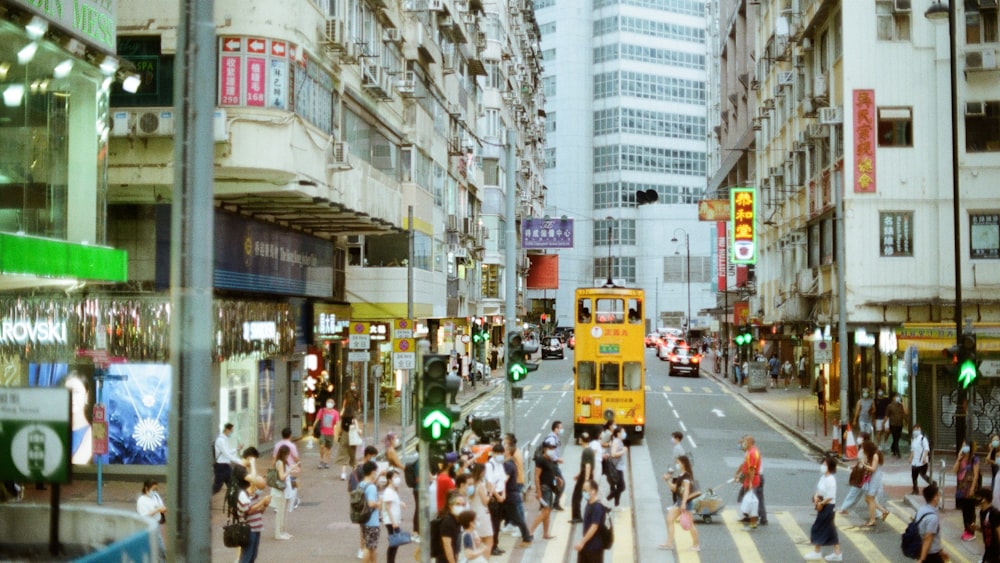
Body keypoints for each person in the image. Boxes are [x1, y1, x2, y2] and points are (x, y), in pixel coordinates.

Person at [804, 456, 842, 561]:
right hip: (822, 504)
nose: (823, 466)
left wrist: (821, 503)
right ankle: (837, 554)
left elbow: (830, 496)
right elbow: (819, 489)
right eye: (823, 464)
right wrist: (816, 496)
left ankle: (817, 552)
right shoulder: (823, 477)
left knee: (818, 527)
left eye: (825, 464)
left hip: (828, 507)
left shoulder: (831, 480)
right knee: (830, 530)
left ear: (830, 467)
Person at [660, 455, 700, 552]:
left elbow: (686, 490)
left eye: (678, 463)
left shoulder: (686, 477)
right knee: (670, 519)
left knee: (689, 524)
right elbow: (675, 489)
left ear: (683, 464)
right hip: (681, 501)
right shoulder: (681, 475)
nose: (676, 465)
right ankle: (669, 543)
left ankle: (696, 545)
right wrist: (667, 480)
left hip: (684, 502)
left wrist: (683, 503)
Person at [502, 440, 533, 546]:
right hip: (508, 495)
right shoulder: (509, 463)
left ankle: (527, 537)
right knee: (512, 517)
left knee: (518, 518)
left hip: (510, 495)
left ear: (508, 452)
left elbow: (504, 480)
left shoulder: (509, 465)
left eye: (504, 450)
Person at [236, 472, 270, 563]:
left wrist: (265, 505)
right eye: (258, 488)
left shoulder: (255, 496)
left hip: (256, 528)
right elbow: (248, 510)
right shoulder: (243, 495)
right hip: (248, 529)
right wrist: (262, 502)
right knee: (247, 556)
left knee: (253, 555)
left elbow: (259, 513)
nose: (259, 491)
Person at [735, 434, 767, 528]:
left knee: (754, 500)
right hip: (751, 478)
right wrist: (738, 474)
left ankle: (754, 519)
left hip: (754, 478)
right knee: (752, 498)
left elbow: (752, 469)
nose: (742, 444)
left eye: (744, 442)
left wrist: (750, 483)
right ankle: (751, 517)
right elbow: (745, 465)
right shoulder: (749, 452)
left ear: (749, 442)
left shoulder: (752, 453)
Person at [529, 442, 559, 540]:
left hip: (549, 488)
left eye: (553, 448)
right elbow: (536, 476)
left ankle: (546, 533)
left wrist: (557, 479)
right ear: (545, 449)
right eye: (550, 448)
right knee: (545, 511)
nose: (552, 450)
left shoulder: (549, 460)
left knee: (548, 511)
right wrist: (538, 491)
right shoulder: (541, 459)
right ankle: (530, 532)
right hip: (544, 488)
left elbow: (549, 473)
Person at [954, 440, 981, 541]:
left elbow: (976, 474)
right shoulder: (961, 458)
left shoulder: (974, 459)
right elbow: (954, 470)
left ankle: (971, 532)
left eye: (966, 445)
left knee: (970, 510)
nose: (964, 447)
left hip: (970, 489)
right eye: (963, 445)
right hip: (961, 489)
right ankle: (966, 530)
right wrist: (958, 459)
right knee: (964, 510)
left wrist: (973, 488)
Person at [574, 479, 607, 562]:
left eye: (585, 490)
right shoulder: (589, 504)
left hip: (594, 549)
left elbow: (594, 527)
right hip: (587, 546)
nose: (583, 493)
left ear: (593, 491)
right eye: (583, 490)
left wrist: (582, 542)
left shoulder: (597, 507)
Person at [65, 371, 93, 465]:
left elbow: (74, 470)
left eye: (76, 392)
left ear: (86, 396)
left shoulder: (92, 433)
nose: (71, 397)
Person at [860, 440, 890, 527]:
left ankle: (872, 520)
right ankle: (884, 511)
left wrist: (864, 465)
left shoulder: (875, 455)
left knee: (870, 498)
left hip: (875, 478)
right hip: (873, 477)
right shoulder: (872, 455)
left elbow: (873, 469)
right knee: (868, 498)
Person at [915, 483, 948, 563]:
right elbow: (928, 538)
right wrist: (922, 559)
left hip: (922, 549)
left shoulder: (921, 510)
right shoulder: (932, 517)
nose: (939, 497)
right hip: (930, 554)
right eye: (938, 495)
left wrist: (940, 551)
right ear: (935, 497)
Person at [136, 479, 167, 563]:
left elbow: (161, 505)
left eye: (156, 489)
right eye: (153, 489)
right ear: (146, 489)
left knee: (158, 549)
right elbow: (143, 516)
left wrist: (162, 509)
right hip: (148, 527)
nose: (155, 491)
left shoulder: (156, 496)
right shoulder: (141, 500)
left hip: (156, 524)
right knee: (160, 549)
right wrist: (157, 510)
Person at [485, 443, 508, 555]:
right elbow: (490, 483)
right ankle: (492, 547)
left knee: (498, 523)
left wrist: (503, 494)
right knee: (493, 523)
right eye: (497, 453)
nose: (500, 455)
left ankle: (496, 544)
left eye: (501, 453)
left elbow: (503, 480)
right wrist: (497, 496)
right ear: (493, 453)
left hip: (501, 496)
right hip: (494, 497)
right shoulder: (490, 465)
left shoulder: (500, 464)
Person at [467, 463, 494, 555]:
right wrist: (490, 492)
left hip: (473, 512)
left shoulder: (471, 485)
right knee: (488, 541)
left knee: (478, 540)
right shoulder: (480, 485)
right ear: (482, 472)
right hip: (483, 513)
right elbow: (485, 501)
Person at [358, 461, 382, 563]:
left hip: (363, 519)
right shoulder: (371, 487)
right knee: (369, 547)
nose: (376, 474)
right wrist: (379, 503)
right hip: (372, 521)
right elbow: (371, 503)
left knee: (371, 547)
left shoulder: (361, 484)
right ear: (372, 472)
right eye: (375, 472)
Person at [271, 444, 296, 540]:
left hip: (284, 490)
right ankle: (278, 533)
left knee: (283, 511)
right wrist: (289, 470)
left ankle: (283, 531)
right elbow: (282, 477)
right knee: (280, 512)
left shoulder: (282, 462)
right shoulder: (280, 463)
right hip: (280, 490)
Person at [436, 491, 468, 563]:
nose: (461, 507)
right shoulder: (447, 521)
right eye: (458, 504)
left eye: (463, 505)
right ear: (450, 506)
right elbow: (447, 545)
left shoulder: (457, 520)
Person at [381, 469, 405, 563]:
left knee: (395, 543)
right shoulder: (388, 491)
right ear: (390, 479)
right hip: (391, 521)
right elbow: (387, 508)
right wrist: (394, 522)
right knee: (394, 543)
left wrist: (400, 503)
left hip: (394, 521)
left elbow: (392, 503)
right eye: (395, 477)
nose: (397, 479)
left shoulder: (393, 490)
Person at [571, 433, 596, 525]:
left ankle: (577, 517)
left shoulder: (586, 451)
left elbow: (588, 466)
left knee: (576, 496)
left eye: (580, 438)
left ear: (581, 440)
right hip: (585, 475)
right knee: (588, 496)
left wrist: (585, 481)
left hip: (585, 476)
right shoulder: (589, 449)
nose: (579, 440)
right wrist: (579, 474)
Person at [543, 420, 566, 510]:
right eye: (560, 428)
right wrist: (557, 459)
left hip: (553, 464)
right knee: (562, 483)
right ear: (556, 429)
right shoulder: (551, 439)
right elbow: (549, 452)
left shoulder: (555, 437)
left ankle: (551, 501)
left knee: (554, 481)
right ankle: (555, 502)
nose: (562, 429)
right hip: (552, 464)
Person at [213, 423, 241, 495]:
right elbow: (226, 454)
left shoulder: (224, 439)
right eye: (231, 431)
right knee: (217, 487)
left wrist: (236, 449)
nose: (231, 432)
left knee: (232, 485)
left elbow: (227, 452)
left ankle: (235, 504)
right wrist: (239, 461)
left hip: (226, 466)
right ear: (227, 430)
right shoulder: (220, 440)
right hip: (221, 467)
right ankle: (205, 498)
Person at [312, 399, 339, 469]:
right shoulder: (322, 410)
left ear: (334, 404)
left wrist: (337, 435)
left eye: (331, 402)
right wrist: (313, 429)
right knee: (322, 446)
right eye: (328, 402)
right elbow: (317, 419)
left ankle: (327, 462)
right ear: (326, 403)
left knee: (328, 449)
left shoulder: (335, 413)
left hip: (330, 433)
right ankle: (321, 460)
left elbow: (337, 424)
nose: (330, 403)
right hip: (322, 432)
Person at [606, 426, 627, 509]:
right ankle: (606, 500)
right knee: (622, 487)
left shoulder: (619, 441)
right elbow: (613, 454)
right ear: (618, 433)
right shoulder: (616, 442)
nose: (624, 434)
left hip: (619, 468)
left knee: (619, 487)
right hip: (617, 468)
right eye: (623, 432)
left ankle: (617, 505)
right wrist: (623, 451)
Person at [977, 487, 1000, 563]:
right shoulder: (982, 512)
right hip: (988, 549)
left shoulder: (994, 513)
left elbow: (999, 532)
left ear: (984, 499)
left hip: (996, 550)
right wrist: (976, 528)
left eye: (979, 496)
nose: (977, 498)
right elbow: (986, 529)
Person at [335, 407, 357, 480]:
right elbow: (357, 430)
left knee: (344, 455)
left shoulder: (342, 420)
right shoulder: (354, 420)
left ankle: (343, 474)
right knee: (353, 455)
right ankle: (354, 474)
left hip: (344, 438)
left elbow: (339, 430)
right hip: (353, 439)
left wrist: (338, 437)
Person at [910, 424, 933, 495]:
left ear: (919, 430)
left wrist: (924, 458)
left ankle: (932, 483)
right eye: (914, 429)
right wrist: (910, 457)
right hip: (915, 461)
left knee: (923, 475)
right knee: (914, 476)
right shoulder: (914, 440)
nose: (915, 431)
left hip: (922, 461)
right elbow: (913, 450)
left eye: (917, 429)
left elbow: (926, 449)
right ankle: (915, 490)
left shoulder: (923, 439)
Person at [886, 392, 909, 458]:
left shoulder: (901, 405)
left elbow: (905, 413)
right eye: (896, 396)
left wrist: (903, 404)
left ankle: (893, 447)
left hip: (900, 424)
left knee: (897, 438)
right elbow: (887, 416)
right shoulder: (889, 406)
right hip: (893, 424)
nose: (898, 398)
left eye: (898, 396)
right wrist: (885, 425)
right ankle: (898, 452)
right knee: (895, 438)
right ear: (893, 398)